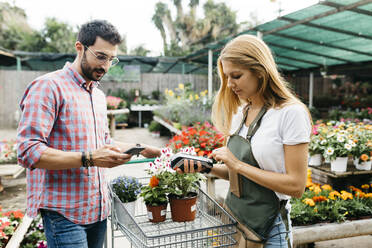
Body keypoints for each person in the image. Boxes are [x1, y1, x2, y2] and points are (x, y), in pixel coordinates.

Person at [17, 20, 161, 248]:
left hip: (97, 210)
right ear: (80, 48)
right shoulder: (48, 87)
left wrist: (140, 147)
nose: (105, 66)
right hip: (64, 213)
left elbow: (101, 142)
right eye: (100, 56)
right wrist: (89, 159)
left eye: (111, 59)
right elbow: (28, 152)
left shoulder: (97, 95)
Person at [180, 34, 311, 248]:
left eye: (236, 76)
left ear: (259, 71)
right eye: (226, 77)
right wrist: (205, 167)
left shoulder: (290, 113)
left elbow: (296, 186)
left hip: (270, 228)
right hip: (237, 220)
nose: (230, 84)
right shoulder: (241, 112)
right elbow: (238, 176)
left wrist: (237, 164)